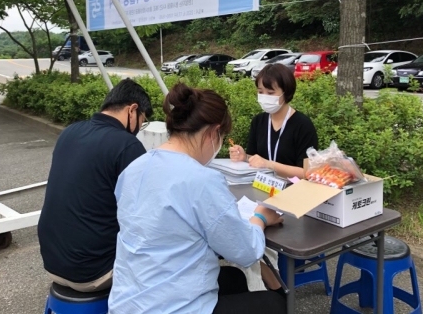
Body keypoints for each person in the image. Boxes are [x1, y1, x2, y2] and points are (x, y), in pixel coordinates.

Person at [109, 83, 286, 314]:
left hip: (131, 300)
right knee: (274, 304)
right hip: (172, 306)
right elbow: (246, 251)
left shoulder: (135, 167)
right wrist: (260, 217)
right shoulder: (202, 180)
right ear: (213, 132)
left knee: (233, 278)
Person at [38, 78, 152, 292]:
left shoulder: (69, 132)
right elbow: (145, 214)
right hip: (94, 272)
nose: (139, 127)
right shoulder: (127, 145)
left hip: (52, 262)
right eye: (142, 120)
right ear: (132, 110)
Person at [229, 63, 318, 179]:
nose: (264, 97)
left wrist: (270, 165)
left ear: (286, 92)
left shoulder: (303, 125)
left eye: (270, 93)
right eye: (260, 92)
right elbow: (255, 158)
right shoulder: (258, 121)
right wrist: (244, 157)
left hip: (292, 188)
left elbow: (307, 172)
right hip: (262, 185)